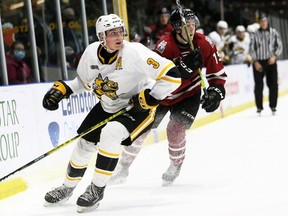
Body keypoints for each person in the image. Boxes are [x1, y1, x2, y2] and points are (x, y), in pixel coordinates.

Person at [42, 14, 182, 213]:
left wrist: (151, 98)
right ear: (101, 36)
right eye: (112, 33)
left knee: (111, 133)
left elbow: (172, 75)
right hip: (107, 106)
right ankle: (67, 187)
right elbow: (81, 83)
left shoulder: (135, 52)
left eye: (120, 31)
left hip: (137, 109)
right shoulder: (91, 53)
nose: (119, 36)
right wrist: (61, 91)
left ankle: (97, 189)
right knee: (84, 144)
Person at [109, 8, 227, 186]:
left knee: (175, 130)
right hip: (162, 95)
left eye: (193, 25)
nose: (191, 29)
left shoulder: (204, 44)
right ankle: (123, 167)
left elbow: (217, 73)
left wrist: (216, 92)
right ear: (177, 27)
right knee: (142, 129)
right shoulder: (164, 46)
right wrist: (182, 69)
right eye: (187, 25)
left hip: (189, 94)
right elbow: (153, 77)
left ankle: (175, 165)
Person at [249, 13, 283, 115]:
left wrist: (275, 56)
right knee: (258, 86)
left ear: (267, 22)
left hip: (271, 61)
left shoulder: (274, 32)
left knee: (273, 85)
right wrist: (255, 61)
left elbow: (279, 46)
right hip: (258, 62)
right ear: (259, 22)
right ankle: (259, 107)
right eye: (262, 21)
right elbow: (251, 48)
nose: (263, 23)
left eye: (265, 21)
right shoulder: (255, 34)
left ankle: (273, 106)